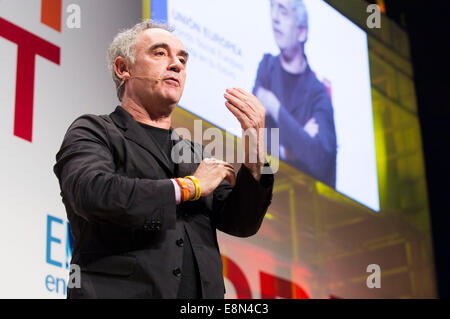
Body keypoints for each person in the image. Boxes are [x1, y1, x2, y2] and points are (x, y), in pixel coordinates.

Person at [53, 20, 274, 299]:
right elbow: (92, 193)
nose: (176, 65)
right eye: (160, 53)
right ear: (124, 69)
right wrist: (189, 187)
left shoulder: (195, 155)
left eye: (182, 59)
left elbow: (242, 223)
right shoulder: (95, 130)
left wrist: (255, 146)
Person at [254, 0, 337, 188]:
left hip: (303, 200)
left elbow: (320, 161)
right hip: (264, 186)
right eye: (272, 8)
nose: (274, 17)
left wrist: (275, 108)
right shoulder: (267, 66)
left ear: (301, 32)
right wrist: (300, 140)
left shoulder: (319, 94)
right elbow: (255, 137)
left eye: (283, 12)